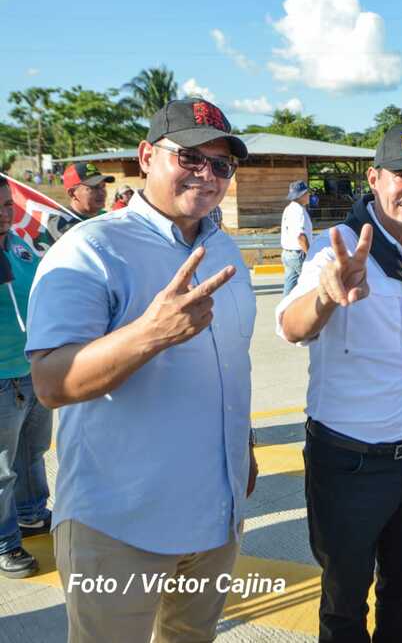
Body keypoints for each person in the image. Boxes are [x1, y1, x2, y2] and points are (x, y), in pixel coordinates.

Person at [26, 98, 257, 643]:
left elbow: (229, 364)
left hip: (214, 515)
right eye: (190, 157)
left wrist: (243, 444)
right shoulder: (90, 249)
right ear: (147, 156)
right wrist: (150, 333)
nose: (207, 174)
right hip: (120, 525)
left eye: (221, 164)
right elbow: (51, 382)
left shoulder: (224, 248)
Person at [276, 123, 402, 643]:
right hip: (349, 462)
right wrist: (326, 297)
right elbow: (291, 326)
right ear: (374, 179)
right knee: (344, 605)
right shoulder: (338, 248)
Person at [0, 176, 53, 579]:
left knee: (32, 452)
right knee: (2, 470)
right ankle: (5, 543)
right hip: (2, 379)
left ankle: (31, 514)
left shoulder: (19, 245)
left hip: (31, 369)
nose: (3, 214)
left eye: (7, 205)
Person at [280, 180, 313, 296]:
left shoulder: (288, 208)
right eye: (307, 193)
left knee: (289, 289)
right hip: (298, 254)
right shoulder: (299, 211)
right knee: (312, 285)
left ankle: (285, 307)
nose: (309, 195)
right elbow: (301, 236)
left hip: (287, 254)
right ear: (301, 195)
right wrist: (310, 254)